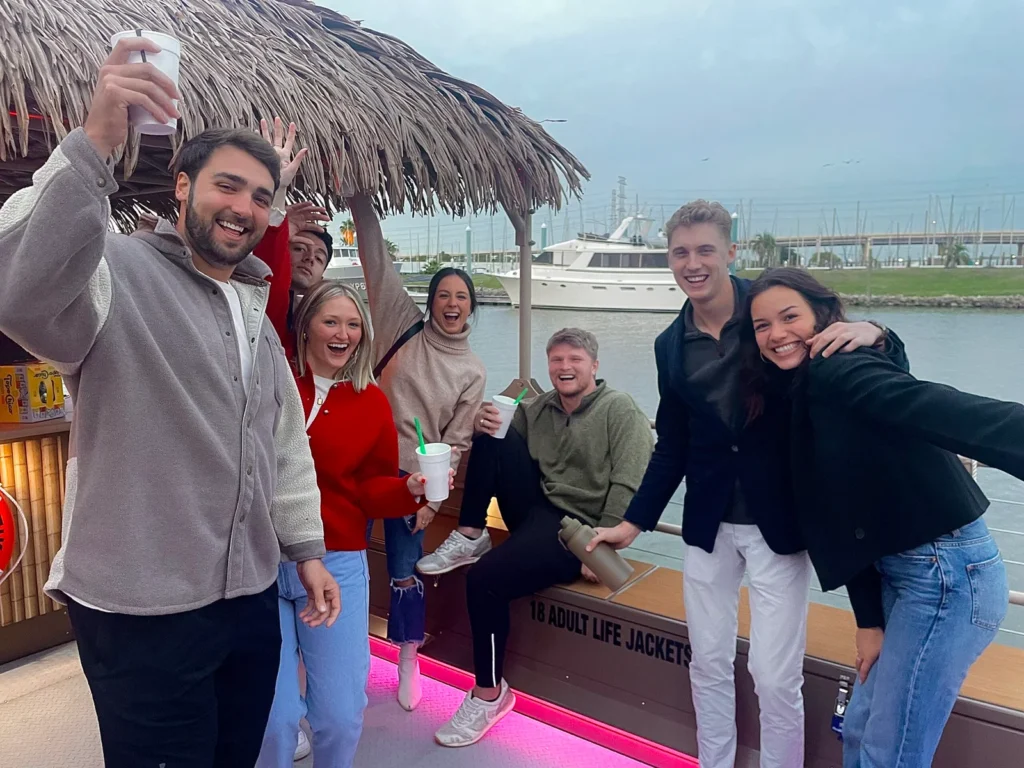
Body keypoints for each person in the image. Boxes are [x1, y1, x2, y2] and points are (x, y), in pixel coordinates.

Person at [0, 39, 340, 767]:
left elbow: (280, 442)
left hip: (248, 599)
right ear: (181, 188)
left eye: (258, 195)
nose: (243, 207)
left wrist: (304, 549)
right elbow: (17, 293)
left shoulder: (252, 302)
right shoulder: (111, 271)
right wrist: (94, 146)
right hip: (140, 610)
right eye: (227, 185)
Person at [588, 200, 902, 768]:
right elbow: (674, 442)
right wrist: (634, 521)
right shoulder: (669, 345)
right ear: (669, 259)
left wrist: (876, 331)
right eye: (681, 252)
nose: (693, 263)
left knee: (774, 673)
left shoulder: (772, 312)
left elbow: (858, 365)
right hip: (707, 520)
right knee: (706, 660)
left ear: (731, 251)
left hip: (778, 520)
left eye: (706, 249)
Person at [742, 267, 1020, 768]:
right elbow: (843, 519)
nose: (777, 334)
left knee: (887, 753)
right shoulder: (798, 389)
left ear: (823, 318)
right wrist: (869, 619)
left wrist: (879, 336)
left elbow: (923, 404)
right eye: (762, 325)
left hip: (946, 576)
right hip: (905, 572)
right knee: (863, 732)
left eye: (789, 317)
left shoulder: (836, 370)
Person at [422, 328, 654, 747]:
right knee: (494, 433)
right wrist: (481, 421)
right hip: (534, 510)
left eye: (575, 360)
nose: (564, 367)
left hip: (576, 528)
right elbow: (500, 444)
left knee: (484, 580)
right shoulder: (541, 407)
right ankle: (471, 532)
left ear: (594, 366)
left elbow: (629, 479)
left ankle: (490, 693)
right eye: (557, 360)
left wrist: (604, 542)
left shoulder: (619, 410)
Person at [257, 281, 453, 767]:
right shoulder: (271, 383)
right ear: (305, 329)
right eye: (331, 321)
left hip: (337, 561)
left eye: (353, 324)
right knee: (273, 717)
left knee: (340, 714)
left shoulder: (370, 403)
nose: (343, 333)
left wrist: (408, 489)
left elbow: (370, 488)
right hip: (258, 563)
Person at [348, 192, 487, 711]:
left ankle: (407, 657)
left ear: (471, 305)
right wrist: (359, 198)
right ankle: (350, 655)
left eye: (461, 296)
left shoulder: (472, 370)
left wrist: (433, 499)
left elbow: (457, 443)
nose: (452, 304)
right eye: (443, 294)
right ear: (430, 300)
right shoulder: (399, 320)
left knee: (405, 574)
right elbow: (374, 255)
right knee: (347, 561)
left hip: (413, 483)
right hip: (364, 469)